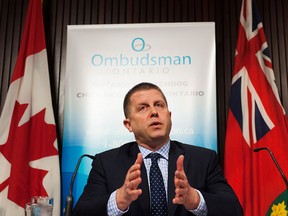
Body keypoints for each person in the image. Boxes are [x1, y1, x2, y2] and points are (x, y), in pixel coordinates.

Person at [73, 82, 243, 216]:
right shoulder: (106, 162)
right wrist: (120, 199)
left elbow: (234, 210)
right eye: (143, 107)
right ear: (128, 124)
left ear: (169, 116)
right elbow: (81, 212)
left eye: (159, 105)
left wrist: (195, 199)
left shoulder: (204, 159)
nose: (154, 112)